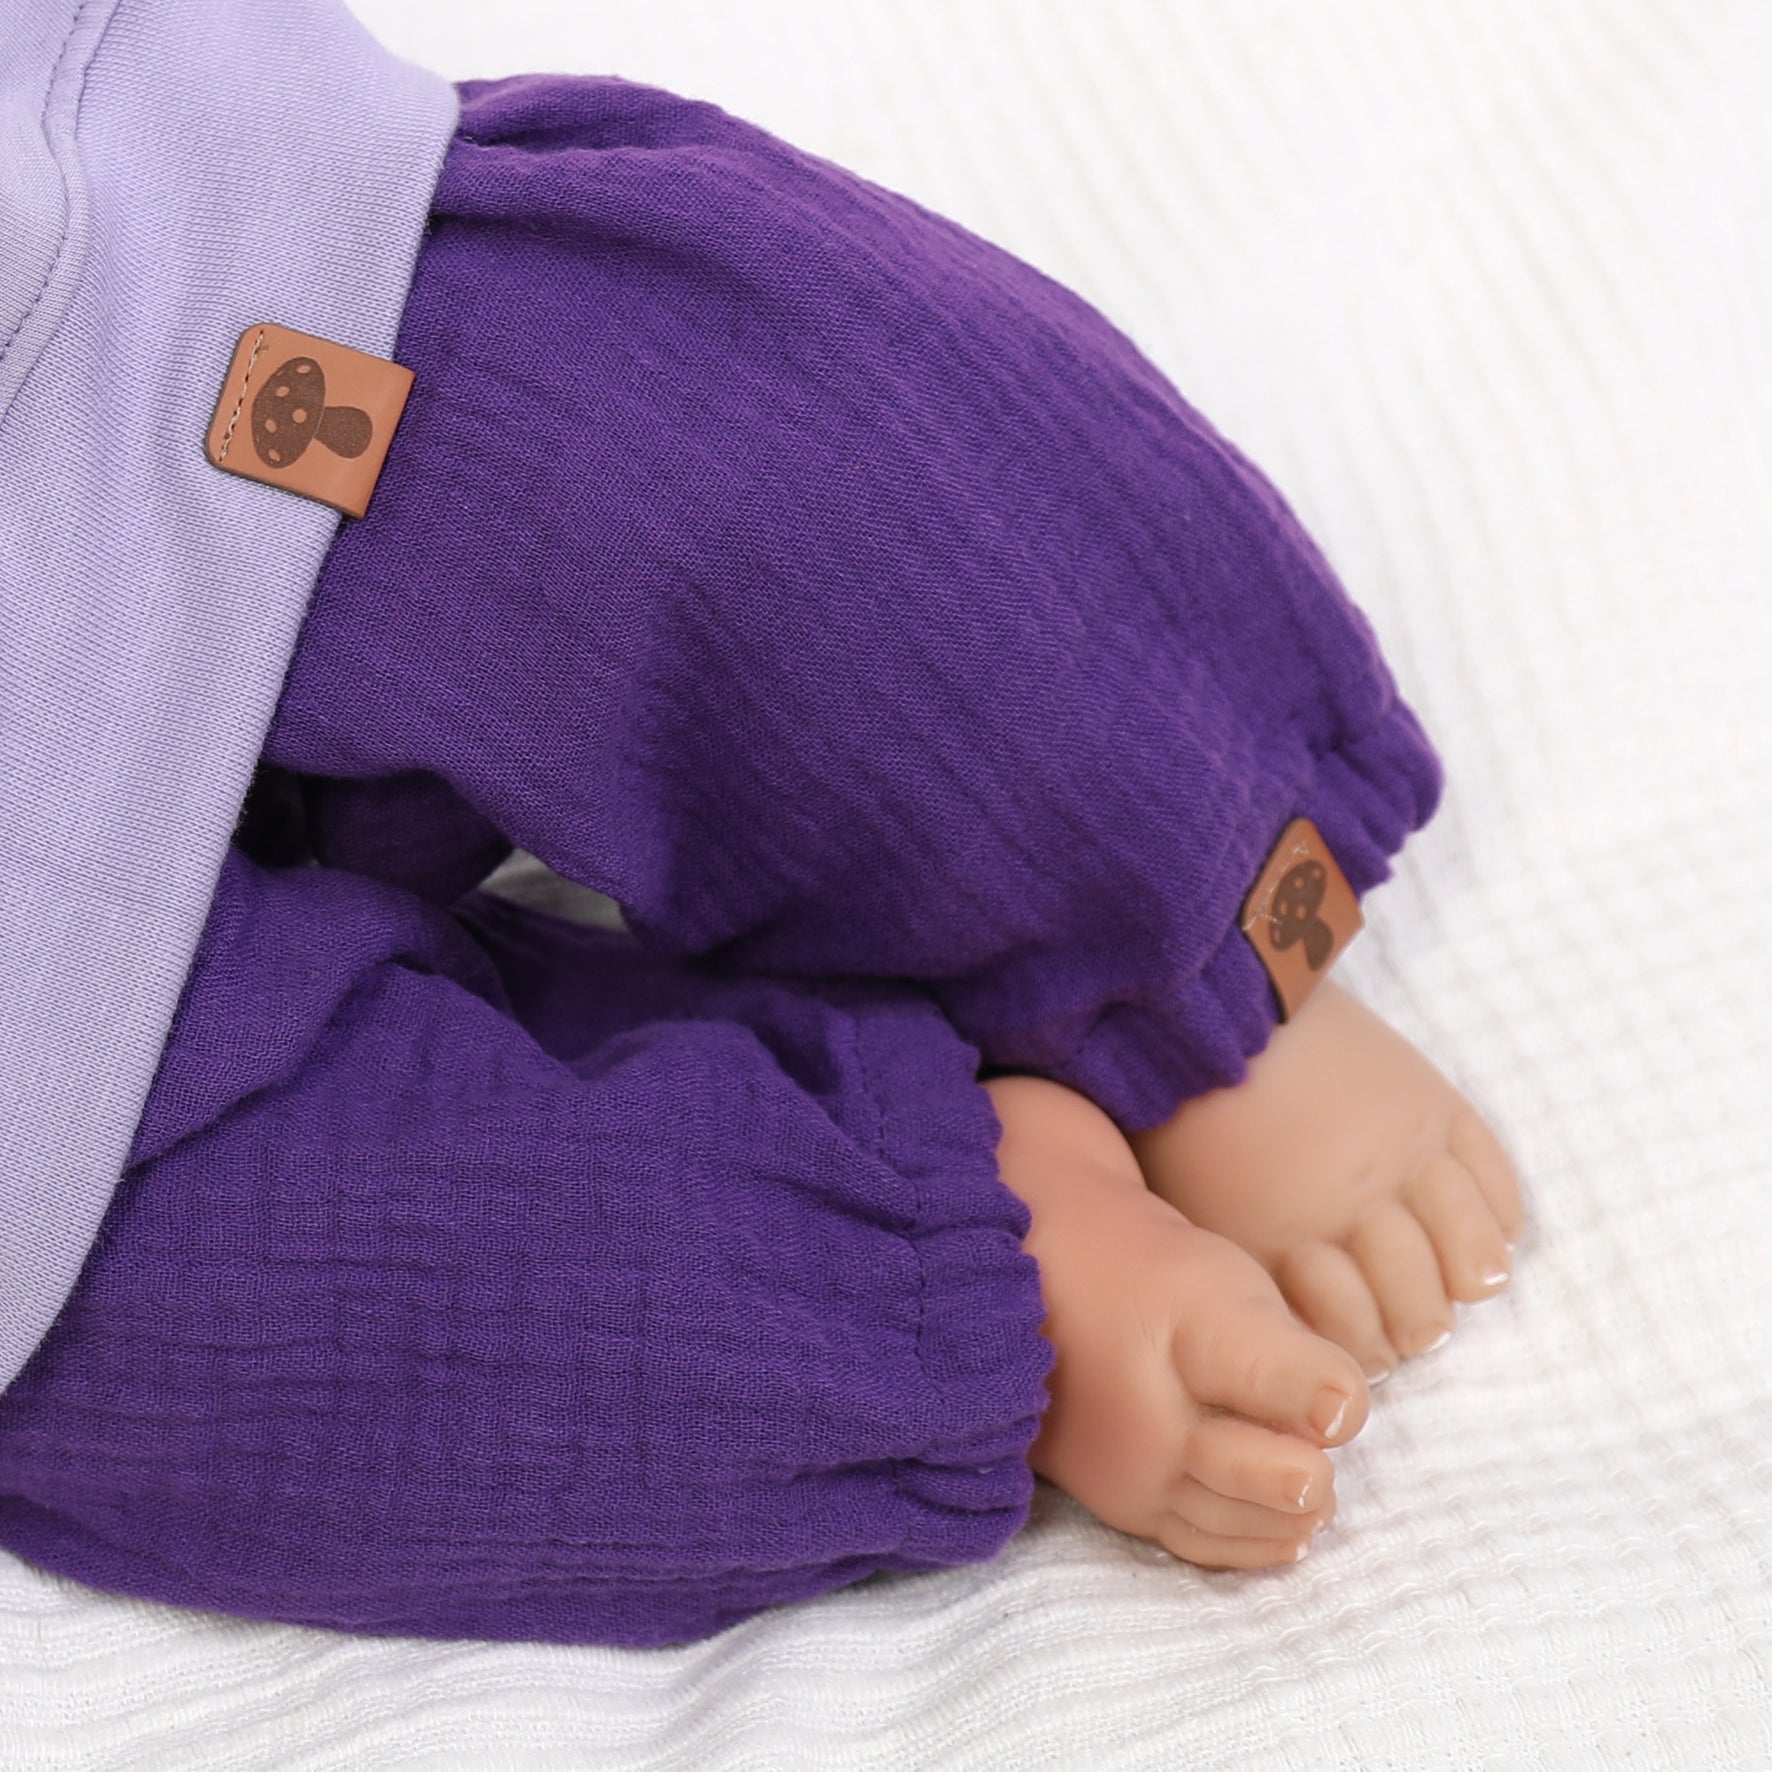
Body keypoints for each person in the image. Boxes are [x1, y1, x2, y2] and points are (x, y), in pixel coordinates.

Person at [0, 0, 1522, 1649]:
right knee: (266, 1316)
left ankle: (1184, 941)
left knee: (659, 419)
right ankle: (951, 1253)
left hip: (113, 337)